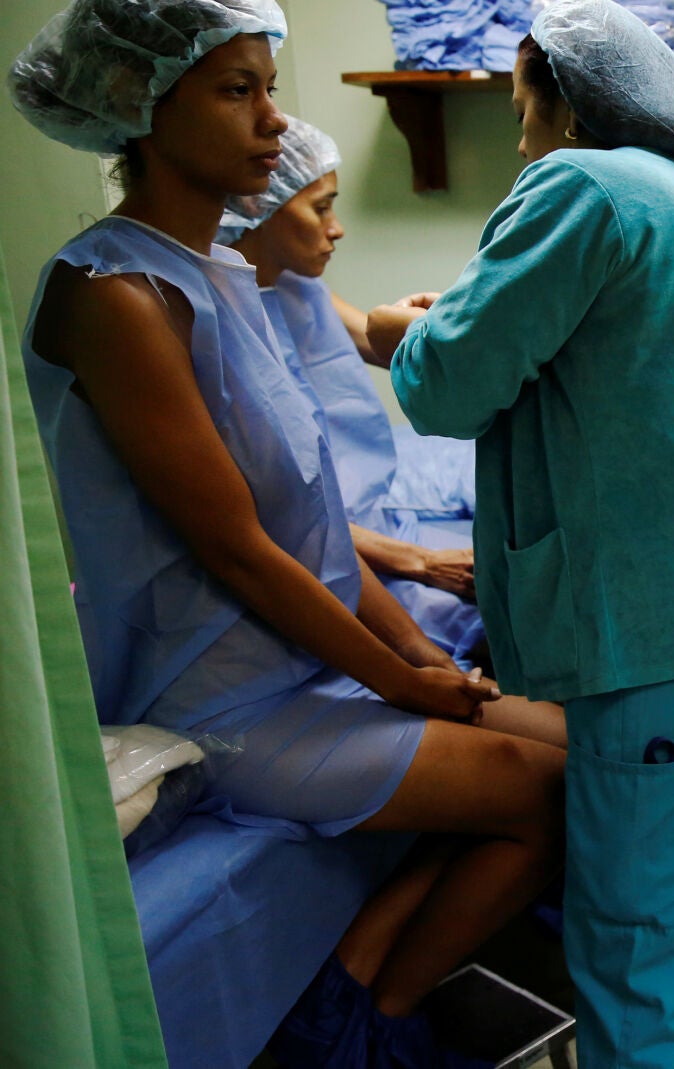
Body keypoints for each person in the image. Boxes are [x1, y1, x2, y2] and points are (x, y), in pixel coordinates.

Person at [9, 3, 566, 1065]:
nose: (273, 121)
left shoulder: (220, 279)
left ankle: (363, 987)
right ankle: (363, 1022)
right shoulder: (110, 292)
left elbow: (306, 527)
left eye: (268, 89)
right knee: (547, 790)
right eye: (237, 91)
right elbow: (236, 548)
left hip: (301, 666)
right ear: (138, 101)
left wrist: (418, 652)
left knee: (591, 752)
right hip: (220, 701)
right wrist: (406, 683)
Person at [369, 3, 674, 1065]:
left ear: (561, 94)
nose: (514, 117)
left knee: (642, 974)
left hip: (673, 641)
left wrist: (398, 331)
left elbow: (445, 385)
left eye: (522, 90)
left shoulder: (579, 185)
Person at [218, 114, 507, 683]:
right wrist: (421, 563)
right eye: (320, 207)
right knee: (491, 608)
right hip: (326, 542)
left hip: (372, 507)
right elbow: (275, 516)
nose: (338, 228)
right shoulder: (223, 321)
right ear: (258, 207)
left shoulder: (298, 287)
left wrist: (488, 321)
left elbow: (396, 347)